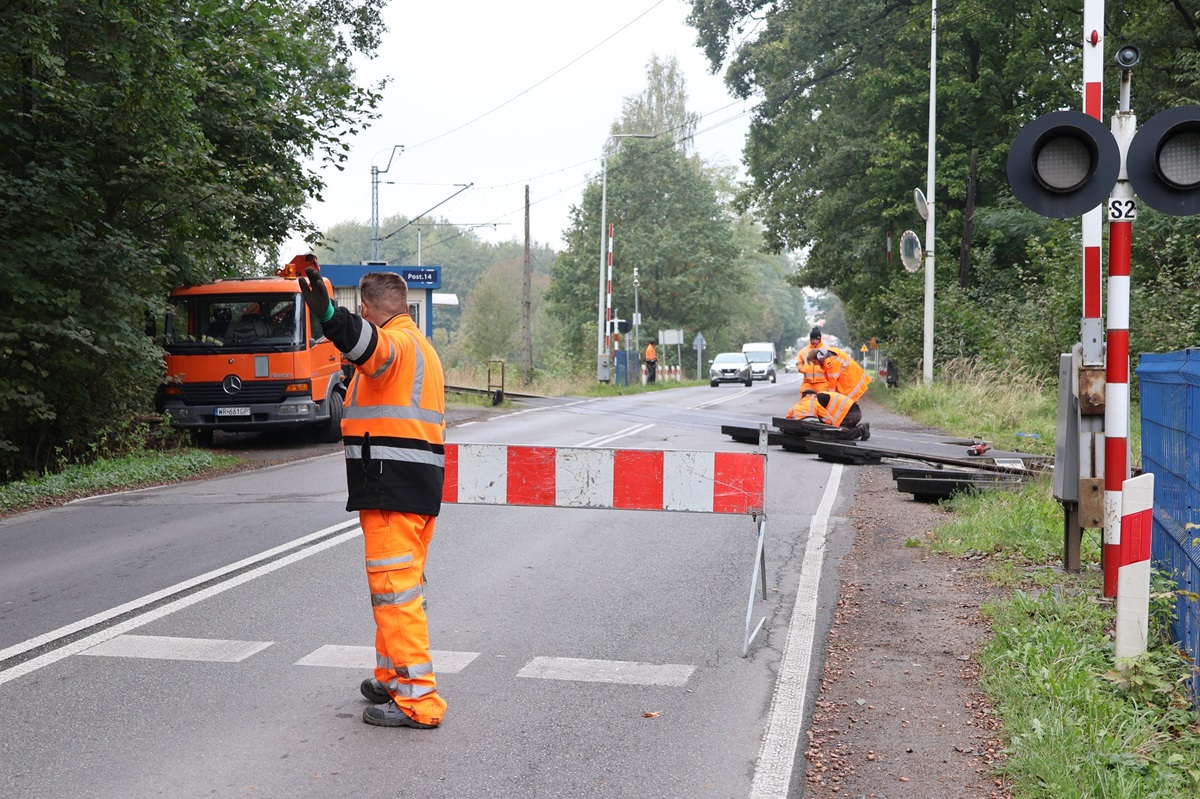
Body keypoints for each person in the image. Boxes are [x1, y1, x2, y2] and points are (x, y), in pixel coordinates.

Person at [298, 258, 448, 730]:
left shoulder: (396, 343)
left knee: (394, 593)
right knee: (398, 592)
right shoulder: (419, 344)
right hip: (411, 486)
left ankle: (418, 702)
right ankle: (392, 678)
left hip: (392, 487)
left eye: (359, 314)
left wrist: (326, 317)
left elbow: (370, 346)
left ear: (367, 310)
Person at [785, 389, 870, 441]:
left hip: (851, 413)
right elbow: (827, 419)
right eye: (814, 397)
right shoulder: (816, 401)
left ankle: (861, 430)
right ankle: (855, 429)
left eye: (815, 397)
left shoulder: (798, 405)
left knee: (836, 435)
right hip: (851, 412)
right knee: (834, 431)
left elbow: (786, 420)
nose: (815, 399)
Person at [807, 346, 872, 403]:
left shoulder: (830, 363)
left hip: (851, 383)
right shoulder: (831, 353)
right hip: (854, 379)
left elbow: (832, 384)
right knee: (849, 406)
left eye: (814, 362)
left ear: (818, 357)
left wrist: (829, 398)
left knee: (847, 405)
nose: (815, 364)